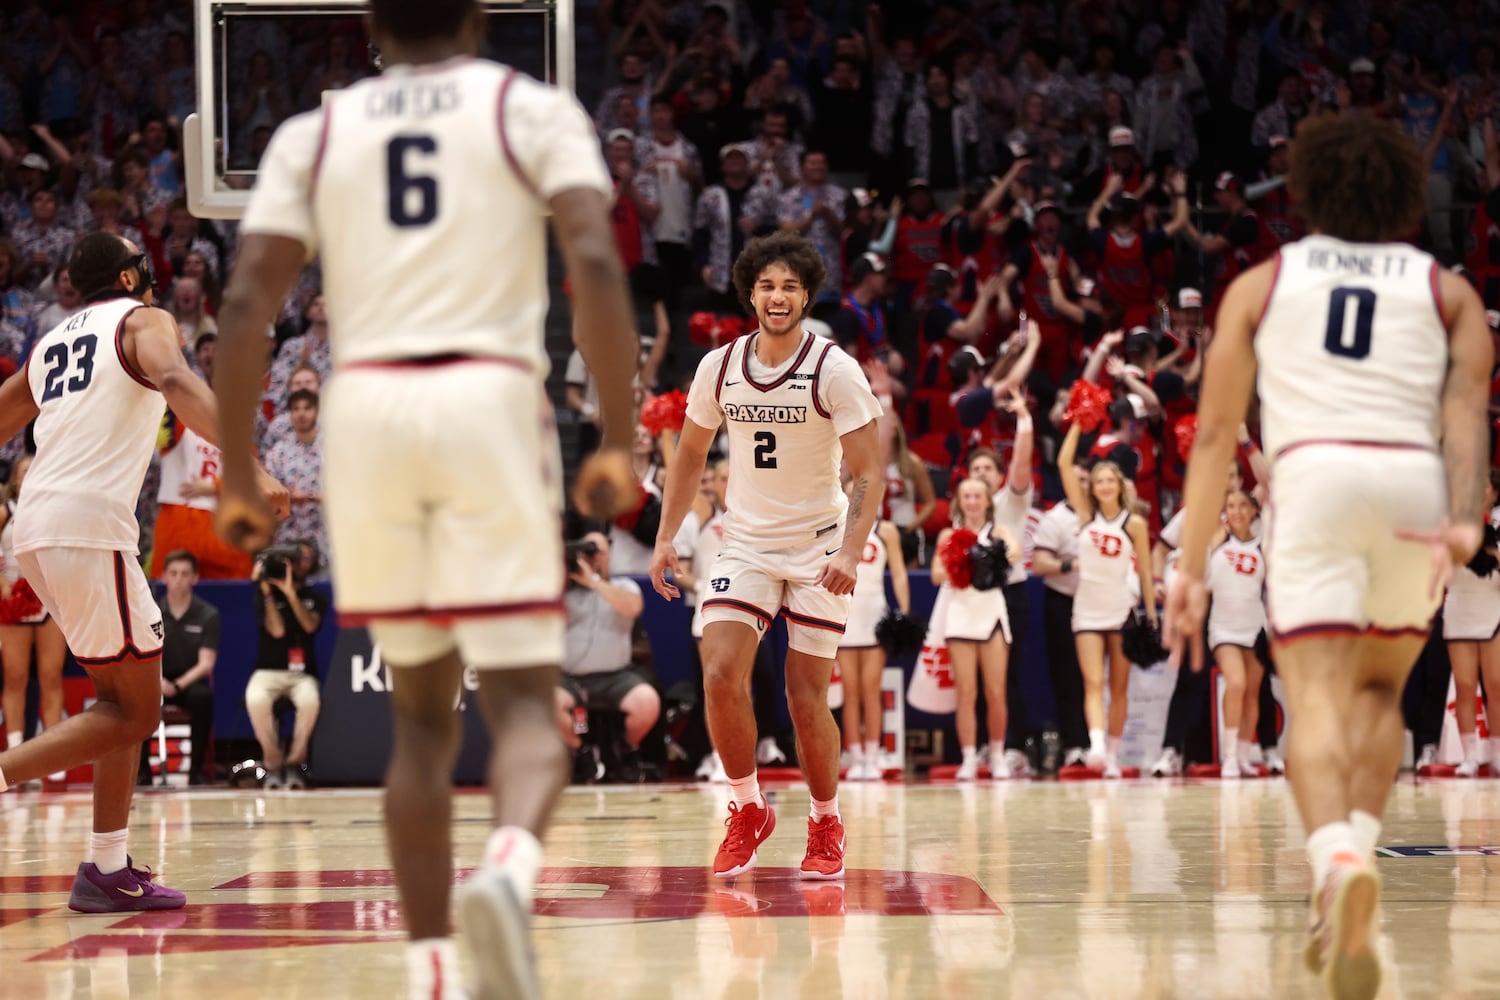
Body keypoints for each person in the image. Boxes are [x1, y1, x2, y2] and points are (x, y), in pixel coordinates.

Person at [212, 1, 640, 997]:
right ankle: (508, 870)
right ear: (483, 13)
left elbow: (243, 307)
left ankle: (433, 966)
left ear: (367, 19)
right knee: (528, 706)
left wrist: (239, 469)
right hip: (488, 394)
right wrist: (615, 435)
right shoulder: (525, 109)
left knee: (419, 721)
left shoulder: (313, 134)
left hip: (366, 409)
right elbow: (592, 262)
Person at [1165, 111, 1491, 1000]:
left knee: (1311, 694)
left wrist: (1189, 567)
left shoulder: (1261, 285)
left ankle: (1335, 859)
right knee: (1381, 690)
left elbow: (1214, 438)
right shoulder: (1448, 288)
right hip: (1413, 486)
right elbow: (1467, 415)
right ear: (1398, 197)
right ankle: (1354, 855)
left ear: (1306, 190)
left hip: (1314, 482)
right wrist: (1467, 517)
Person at [0, 232, 285, 911]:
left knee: (117, 701)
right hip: (87, 524)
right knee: (136, 711)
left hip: (34, 529)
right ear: (131, 277)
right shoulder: (144, 321)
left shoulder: (53, 342)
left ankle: (106, 867)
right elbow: (179, 381)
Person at [648, 231, 884, 881]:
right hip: (745, 540)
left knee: (806, 697)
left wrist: (851, 551)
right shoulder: (718, 367)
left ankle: (826, 819)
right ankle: (748, 807)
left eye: (789, 286)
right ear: (749, 294)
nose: (777, 296)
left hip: (817, 547)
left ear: (806, 295)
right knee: (720, 667)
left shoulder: (833, 368)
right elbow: (691, 454)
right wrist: (668, 536)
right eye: (766, 285)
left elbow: (868, 471)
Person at [1058, 415, 1156, 778]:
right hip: (1087, 610)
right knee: (1092, 683)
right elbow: (1064, 464)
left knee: (1119, 686)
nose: (1103, 485)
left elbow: (1145, 572)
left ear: (1120, 485)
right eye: (1098, 481)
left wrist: (1151, 615)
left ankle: (1112, 756)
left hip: (1121, 610)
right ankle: (1097, 745)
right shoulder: (1085, 515)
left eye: (1109, 480)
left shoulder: (1135, 524)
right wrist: (1078, 423)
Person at [932, 478, 1020, 780]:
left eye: (977, 496)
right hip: (960, 613)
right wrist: (961, 560)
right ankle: (969, 758)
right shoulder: (949, 533)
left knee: (996, 691)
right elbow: (935, 573)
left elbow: (1015, 553)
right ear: (959, 500)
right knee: (966, 692)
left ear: (987, 501)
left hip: (992, 612)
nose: (972, 501)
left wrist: (991, 556)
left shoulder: (997, 531)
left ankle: (997, 756)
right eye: (966, 496)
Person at [561, 532, 660, 761]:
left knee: (646, 701)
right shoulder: (565, 591)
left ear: (609, 556)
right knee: (549, 701)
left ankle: (625, 748)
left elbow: (633, 608)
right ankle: (580, 751)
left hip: (616, 677)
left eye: (597, 552)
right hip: (569, 678)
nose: (592, 559)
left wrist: (595, 582)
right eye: (586, 553)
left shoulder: (624, 585)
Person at [0, 456, 67, 785]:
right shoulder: (5, 512)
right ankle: (14, 754)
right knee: (14, 678)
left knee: (51, 675)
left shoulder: (55, 510)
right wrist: (2, 583)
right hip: (14, 599)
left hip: (48, 599)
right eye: (25, 470)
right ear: (15, 479)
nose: (31, 474)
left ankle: (52, 753)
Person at [835, 495, 910, 781]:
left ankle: (872, 755)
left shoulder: (885, 530)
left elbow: (900, 574)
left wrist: (903, 612)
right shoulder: (836, 526)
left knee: (871, 689)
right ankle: (855, 758)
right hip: (845, 614)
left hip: (875, 616)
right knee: (850, 691)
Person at [244, 542, 326, 788]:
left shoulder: (315, 597)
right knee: (256, 698)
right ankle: (273, 761)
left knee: (310, 701)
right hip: (268, 670)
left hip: (302, 675)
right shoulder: (265, 594)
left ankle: (294, 761)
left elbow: (310, 626)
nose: (299, 563)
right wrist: (268, 590)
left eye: (305, 558)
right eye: (294, 558)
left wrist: (291, 594)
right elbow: (277, 630)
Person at [139, 550, 219, 785]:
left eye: (185, 574)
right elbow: (143, 655)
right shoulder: (151, 613)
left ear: (195, 578)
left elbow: (206, 663)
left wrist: (177, 685)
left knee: (203, 698)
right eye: (173, 573)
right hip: (157, 681)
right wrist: (159, 682)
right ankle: (142, 772)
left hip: (189, 683)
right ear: (163, 576)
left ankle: (196, 770)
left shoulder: (207, 614)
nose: (178, 580)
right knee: (140, 700)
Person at [1204, 489, 1268, 779]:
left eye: (1243, 505)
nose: (1237, 511)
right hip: (1223, 627)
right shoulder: (1217, 537)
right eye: (1230, 506)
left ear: (1254, 510)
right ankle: (1229, 757)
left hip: (1255, 626)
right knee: (1237, 684)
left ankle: (1243, 757)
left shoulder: (1264, 544)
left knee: (1252, 693)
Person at [1441, 471, 1500, 777]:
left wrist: (1492, 557)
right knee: (1465, 686)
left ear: (1493, 492)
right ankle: (1470, 758)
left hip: (1493, 604)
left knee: (1496, 685)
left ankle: (1497, 754)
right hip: (1461, 604)